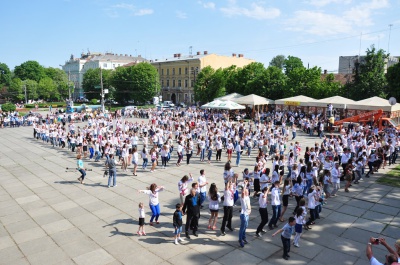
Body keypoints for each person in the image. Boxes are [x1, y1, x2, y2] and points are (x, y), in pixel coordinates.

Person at [238, 183, 251, 248]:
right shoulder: (243, 198)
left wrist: (250, 210)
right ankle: (240, 240)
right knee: (242, 228)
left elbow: (249, 204)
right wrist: (245, 185)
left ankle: (243, 237)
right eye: (247, 191)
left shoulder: (248, 197)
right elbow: (242, 192)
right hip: (243, 215)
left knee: (246, 226)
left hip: (247, 214)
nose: (248, 192)